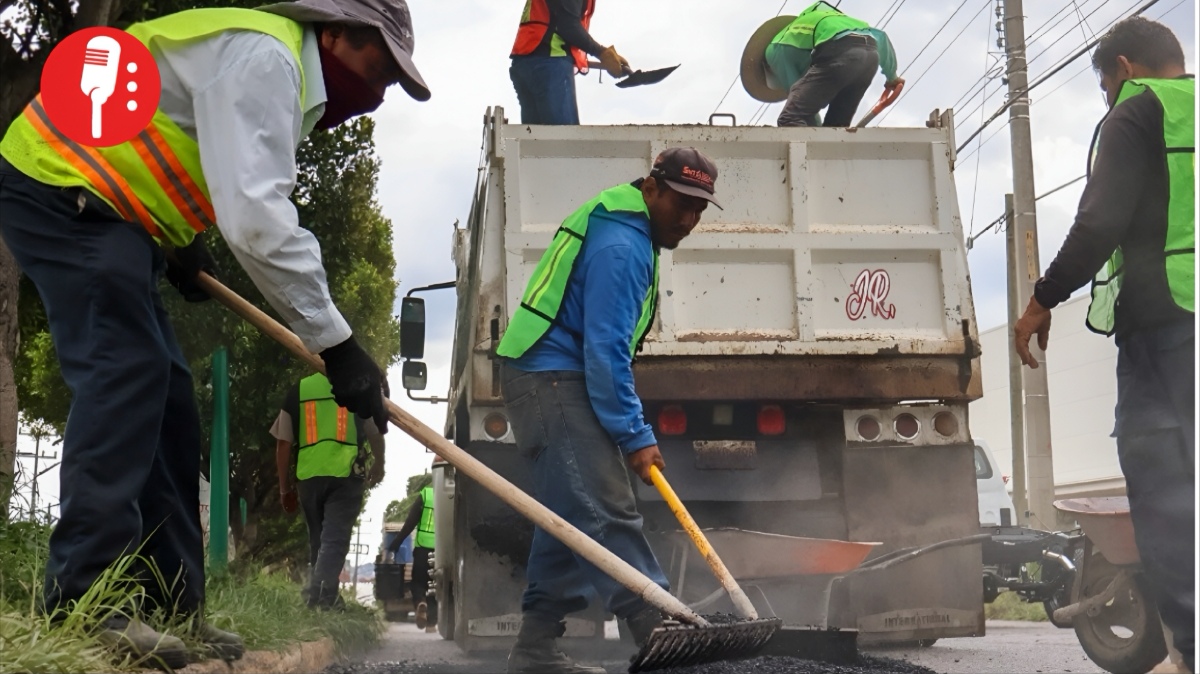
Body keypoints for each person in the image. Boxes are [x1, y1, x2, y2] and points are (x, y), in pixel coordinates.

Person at [0, 0, 426, 665]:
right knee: (125, 372)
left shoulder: (275, 65)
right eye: (378, 66)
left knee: (167, 398)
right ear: (335, 32)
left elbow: (182, 137)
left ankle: (173, 605)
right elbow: (256, 216)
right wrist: (337, 344)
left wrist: (180, 243)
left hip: (117, 212)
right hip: (59, 182)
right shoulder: (271, 59)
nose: (377, 91)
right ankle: (84, 600)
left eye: (392, 82)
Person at [496, 147, 722, 674]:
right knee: (604, 507)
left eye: (699, 209)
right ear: (651, 189)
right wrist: (634, 434)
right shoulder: (623, 247)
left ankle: (533, 649)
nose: (688, 220)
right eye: (680, 204)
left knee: (570, 515)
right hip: (550, 377)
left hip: (548, 373)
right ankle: (659, 631)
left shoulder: (626, 226)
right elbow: (605, 353)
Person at [1012, 17, 1194, 672]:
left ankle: (1192, 651)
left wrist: (1042, 298)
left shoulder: (1134, 114)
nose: (1105, 99)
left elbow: (1100, 219)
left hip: (1163, 330)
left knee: (1167, 498)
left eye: (1103, 86)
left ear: (1123, 68)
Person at [274, 372, 386, 608]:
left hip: (309, 477)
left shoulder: (300, 390)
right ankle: (318, 597)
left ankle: (328, 596)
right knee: (334, 540)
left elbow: (283, 443)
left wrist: (285, 488)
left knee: (320, 541)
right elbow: (374, 430)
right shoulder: (357, 386)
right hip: (344, 474)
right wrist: (379, 463)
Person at [742, 1, 902, 127]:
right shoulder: (838, 20)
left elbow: (797, 94)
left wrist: (816, 133)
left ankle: (806, 165)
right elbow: (881, 38)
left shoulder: (774, 50)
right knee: (837, 126)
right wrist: (892, 77)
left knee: (790, 118)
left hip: (839, 51)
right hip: (870, 57)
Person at [508, 0, 631, 125]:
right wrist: (602, 53)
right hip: (549, 65)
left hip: (526, 62)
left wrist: (604, 55)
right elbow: (568, 26)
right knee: (564, 138)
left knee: (534, 138)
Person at [385, 470, 438, 631]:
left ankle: (420, 602)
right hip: (446, 550)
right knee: (438, 586)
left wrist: (396, 542)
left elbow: (410, 523)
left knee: (419, 582)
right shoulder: (457, 495)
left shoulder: (426, 494)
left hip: (423, 549)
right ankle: (431, 624)